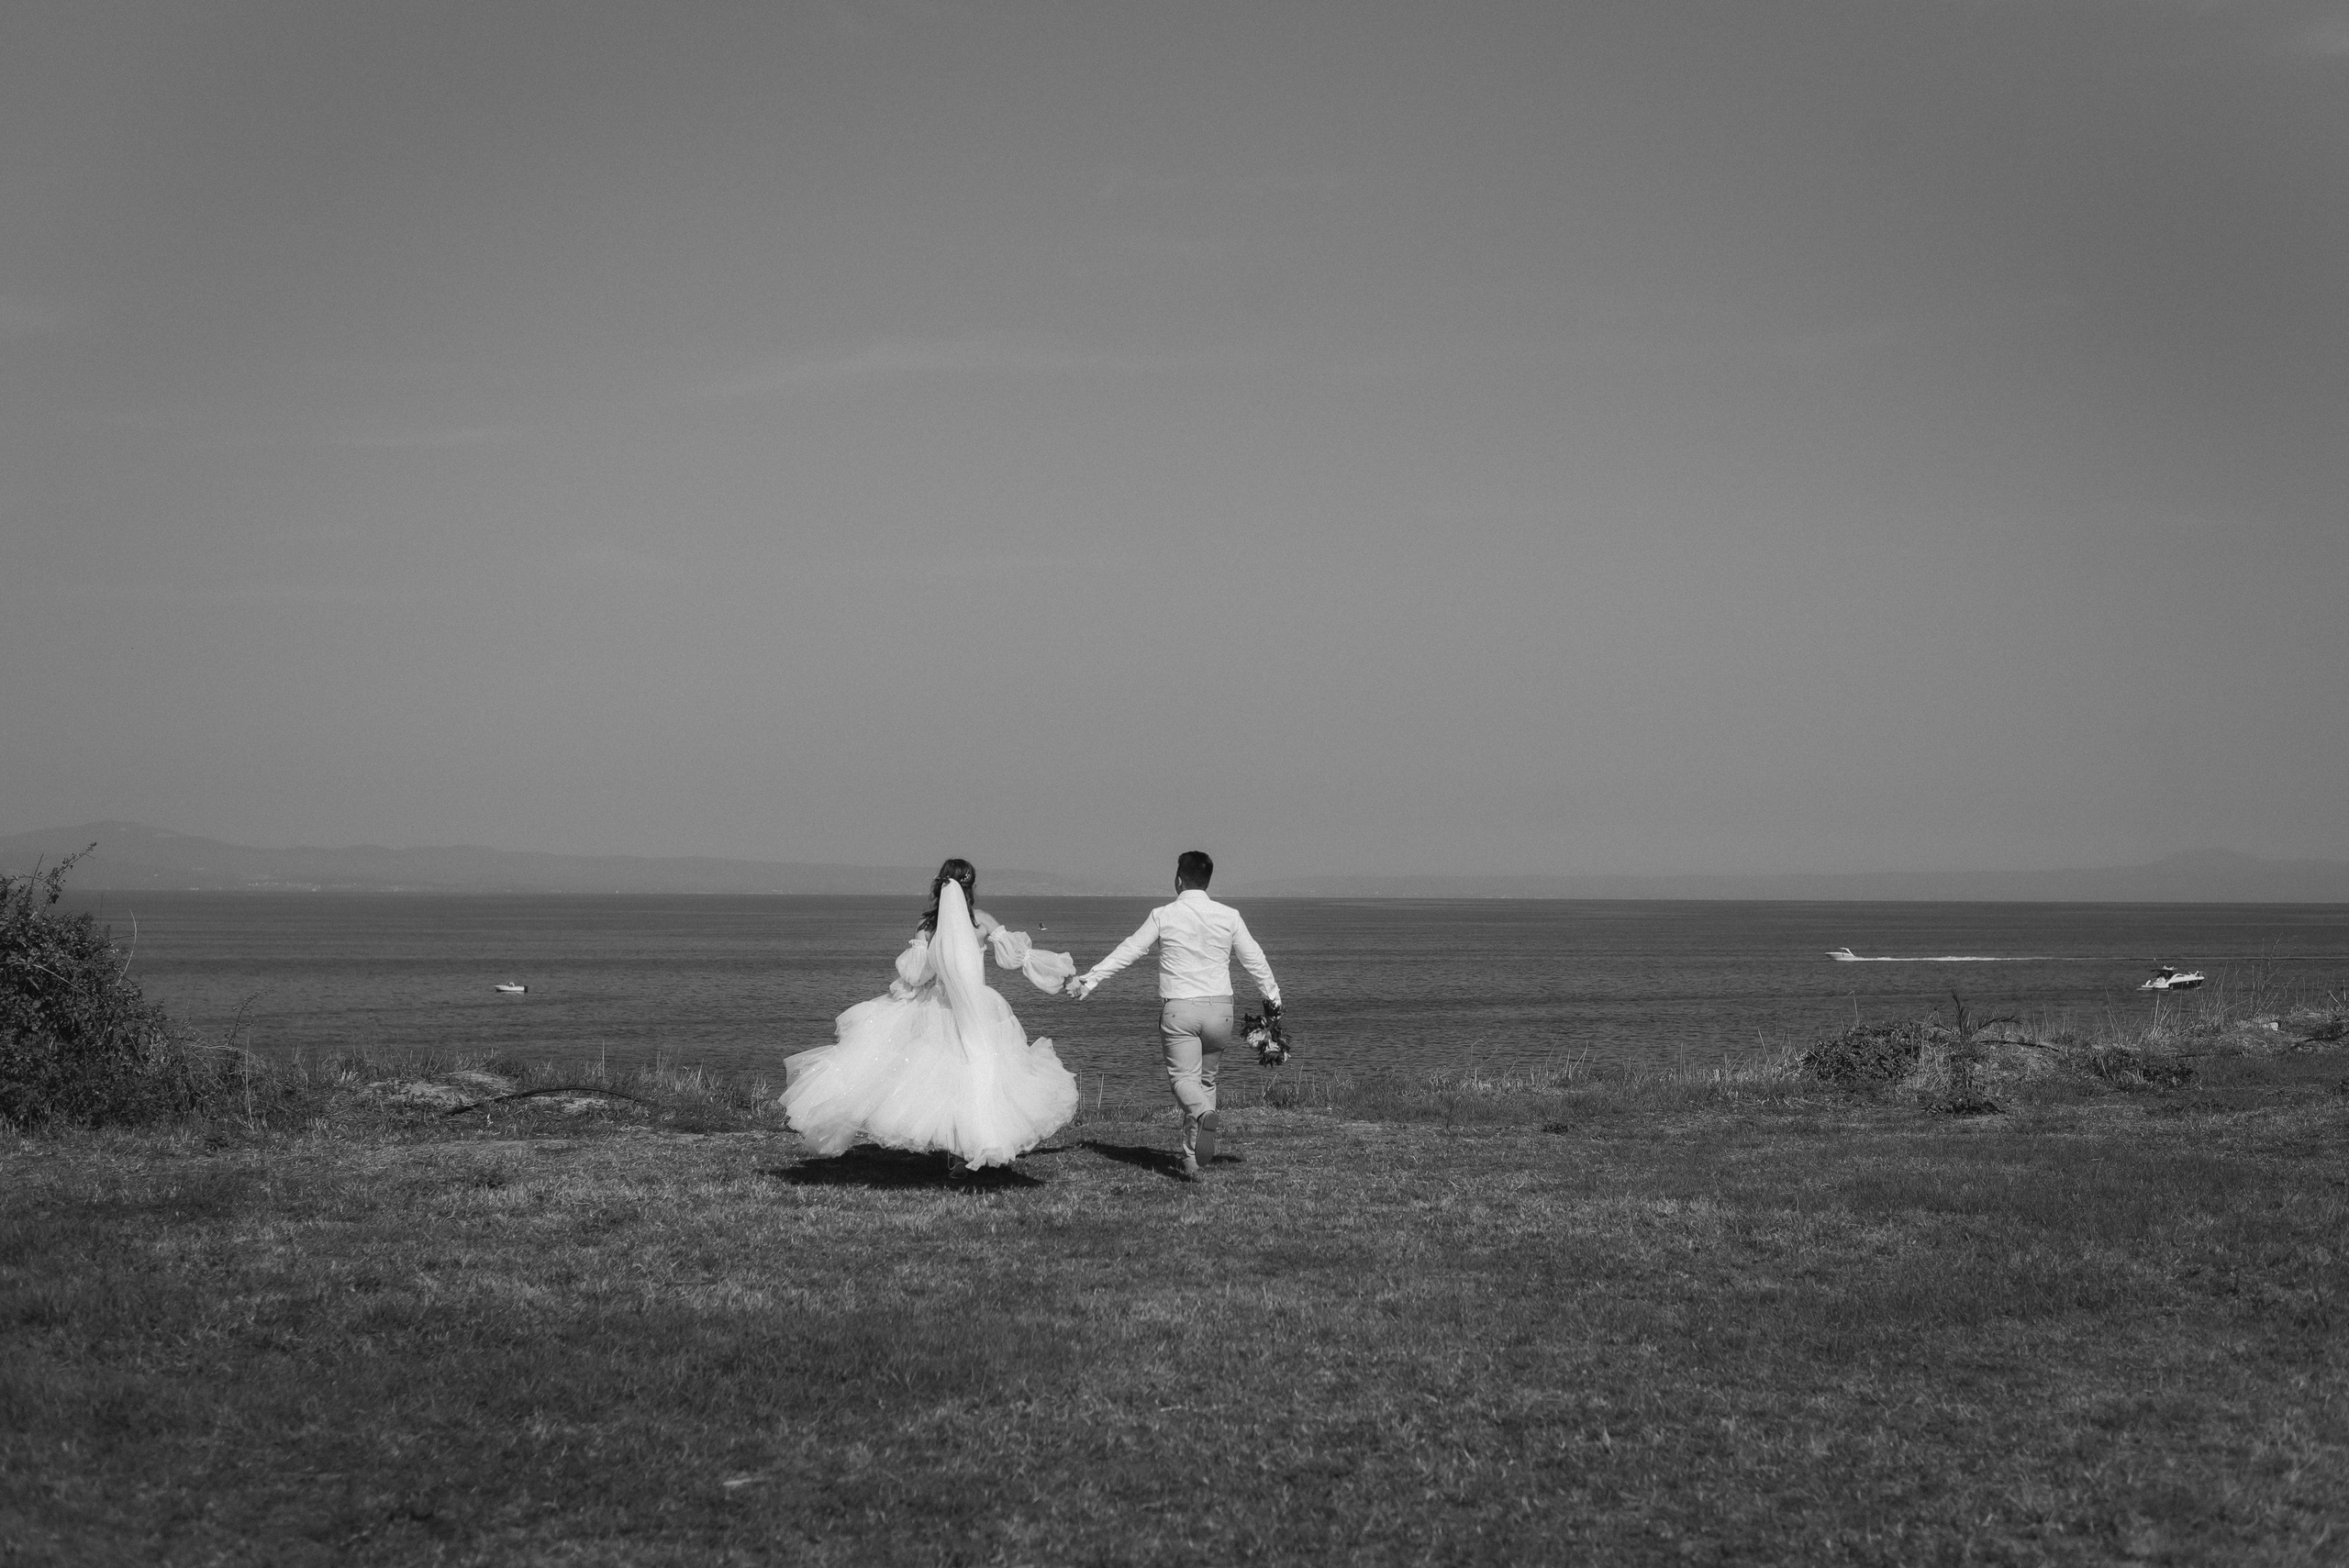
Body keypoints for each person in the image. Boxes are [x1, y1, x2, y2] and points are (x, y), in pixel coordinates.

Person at [781, 859, 1080, 1170]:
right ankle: (968, 1149)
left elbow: (917, 976)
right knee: (981, 1072)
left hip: (938, 1009)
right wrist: (1065, 976)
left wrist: (907, 989)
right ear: (971, 887)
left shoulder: (927, 929)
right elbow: (1021, 957)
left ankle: (958, 1152)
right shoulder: (981, 923)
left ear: (940, 885)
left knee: (941, 1078)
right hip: (978, 1008)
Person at [1067, 850, 1281, 1181]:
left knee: (1184, 1081)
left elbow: (1130, 950)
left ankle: (1204, 1114)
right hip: (1221, 1010)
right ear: (1208, 881)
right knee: (1206, 1081)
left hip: (1180, 1010)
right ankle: (1193, 1161)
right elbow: (1255, 959)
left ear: (1179, 879)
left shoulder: (1163, 914)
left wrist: (1090, 980)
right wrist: (1273, 999)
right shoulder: (1229, 916)